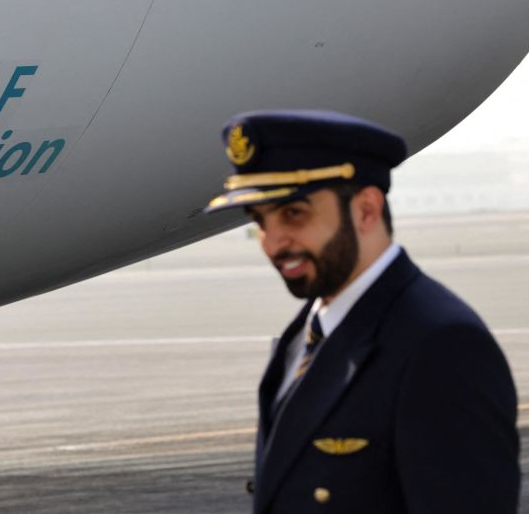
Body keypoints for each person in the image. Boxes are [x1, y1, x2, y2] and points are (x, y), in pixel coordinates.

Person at [204, 109, 520, 513]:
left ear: (366, 210)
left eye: (294, 214)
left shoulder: (441, 346)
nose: (272, 243)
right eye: (261, 221)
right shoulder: (303, 337)